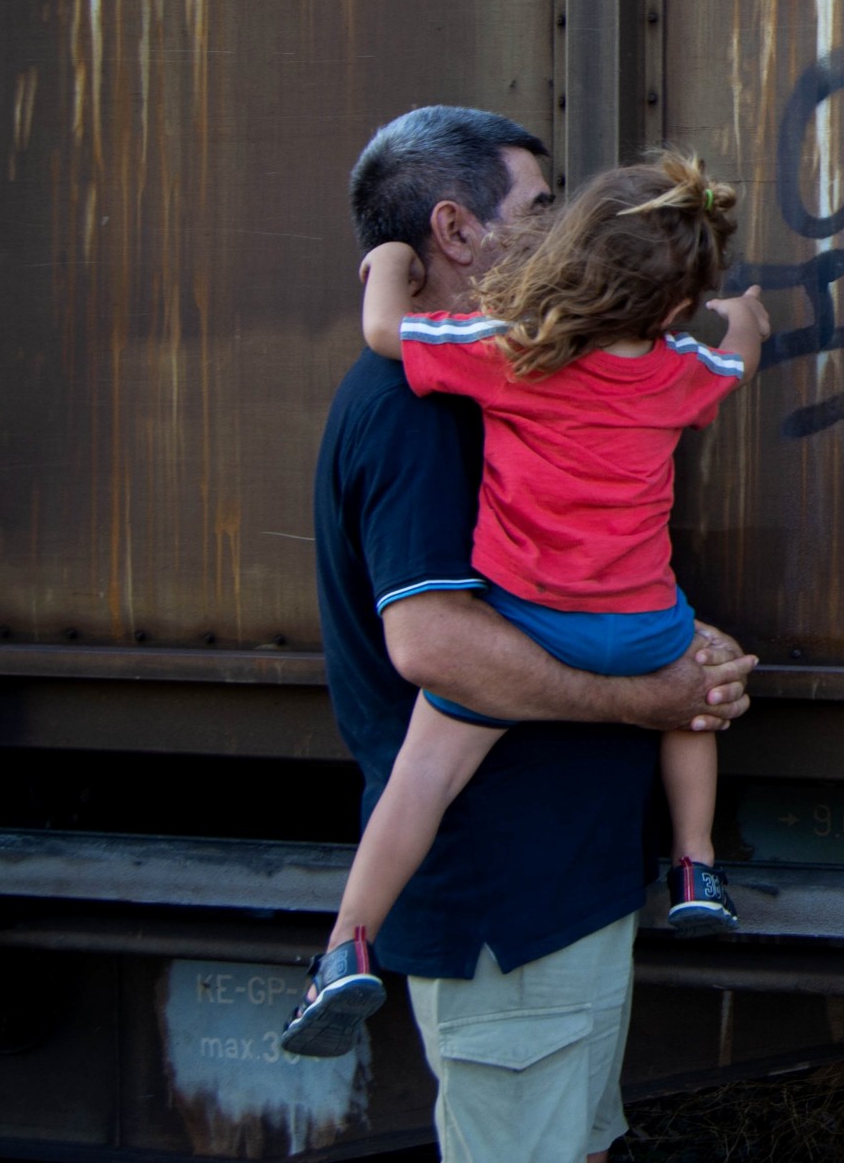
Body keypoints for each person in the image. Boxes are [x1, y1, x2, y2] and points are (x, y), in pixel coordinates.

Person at [301, 106, 755, 1163]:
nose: (562, 236)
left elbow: (574, 577)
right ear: (457, 232)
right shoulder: (422, 408)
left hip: (557, 895)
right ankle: (341, 948)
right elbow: (437, 647)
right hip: (502, 912)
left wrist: (687, 643)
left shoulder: (536, 374)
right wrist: (654, 691)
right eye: (540, 209)